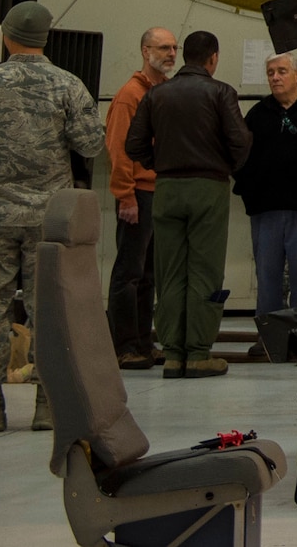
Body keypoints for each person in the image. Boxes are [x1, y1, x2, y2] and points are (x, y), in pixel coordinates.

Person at [0, 1, 103, 433]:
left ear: (9, 36)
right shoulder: (67, 85)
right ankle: (45, 406)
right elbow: (91, 143)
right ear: (45, 38)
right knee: (49, 312)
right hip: (48, 219)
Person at [127, 31, 250, 378]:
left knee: (168, 270)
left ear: (184, 57)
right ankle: (197, 353)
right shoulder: (220, 92)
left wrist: (159, 162)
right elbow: (240, 142)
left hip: (166, 188)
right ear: (213, 58)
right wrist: (225, 165)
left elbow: (133, 144)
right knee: (204, 269)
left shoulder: (157, 94)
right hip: (208, 188)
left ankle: (171, 354)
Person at [105, 27, 176, 369]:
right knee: (128, 273)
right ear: (145, 50)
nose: (171, 54)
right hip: (138, 195)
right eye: (163, 48)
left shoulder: (163, 92)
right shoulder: (130, 95)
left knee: (149, 275)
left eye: (174, 48)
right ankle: (123, 345)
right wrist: (125, 195)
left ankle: (144, 342)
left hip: (158, 193)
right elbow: (118, 150)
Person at [234, 53, 297, 323]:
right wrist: (249, 192)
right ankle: (268, 338)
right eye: (270, 72)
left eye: (282, 71)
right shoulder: (258, 114)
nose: (275, 77)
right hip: (266, 208)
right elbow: (240, 157)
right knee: (267, 276)